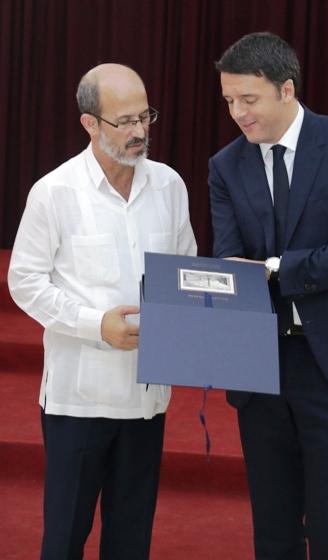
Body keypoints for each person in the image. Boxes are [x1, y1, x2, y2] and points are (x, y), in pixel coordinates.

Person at [209, 32, 328, 560]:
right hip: (260, 367)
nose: (237, 113)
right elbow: (229, 258)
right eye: (229, 101)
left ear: (287, 90)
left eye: (248, 100)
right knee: (272, 530)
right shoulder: (225, 165)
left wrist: (273, 269)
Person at [8, 63, 197, 560]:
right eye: (125, 121)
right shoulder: (55, 192)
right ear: (89, 123)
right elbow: (24, 281)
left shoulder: (169, 186)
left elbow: (184, 272)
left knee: (131, 540)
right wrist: (96, 325)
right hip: (79, 401)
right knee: (65, 538)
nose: (139, 132)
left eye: (145, 117)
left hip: (147, 395)